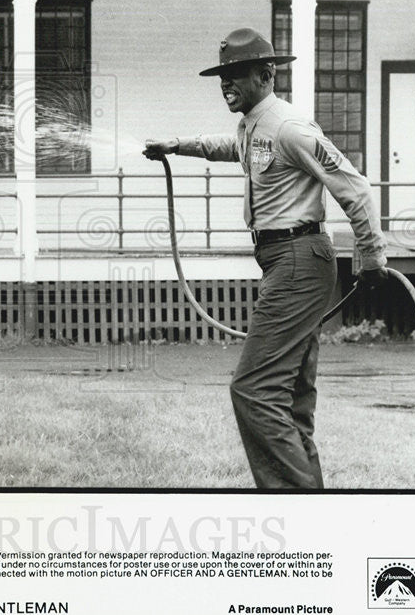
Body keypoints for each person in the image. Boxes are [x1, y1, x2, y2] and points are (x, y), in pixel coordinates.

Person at [144, 27, 388, 489]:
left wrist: (371, 254)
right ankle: (310, 504)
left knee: (254, 391)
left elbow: (353, 186)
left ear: (265, 74)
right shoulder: (253, 124)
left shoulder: (290, 127)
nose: (225, 83)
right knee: (291, 397)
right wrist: (177, 145)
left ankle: (293, 502)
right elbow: (227, 146)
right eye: (222, 76)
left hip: (300, 260)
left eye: (235, 74)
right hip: (284, 261)